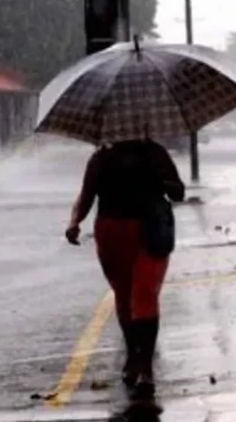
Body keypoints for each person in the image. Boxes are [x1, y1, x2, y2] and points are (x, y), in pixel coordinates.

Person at [64, 138, 185, 398]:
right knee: (124, 295)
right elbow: (86, 196)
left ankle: (146, 367)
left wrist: (161, 182)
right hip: (111, 235)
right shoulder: (100, 158)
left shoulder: (155, 152)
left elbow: (178, 192)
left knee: (144, 295)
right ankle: (133, 355)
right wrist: (74, 222)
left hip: (150, 231)